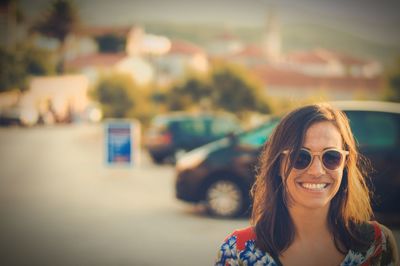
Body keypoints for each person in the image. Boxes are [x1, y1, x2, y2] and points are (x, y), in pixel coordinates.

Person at [215, 103, 399, 266]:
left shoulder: (377, 245)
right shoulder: (236, 252)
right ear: (278, 164)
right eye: (300, 156)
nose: (317, 171)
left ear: (345, 164)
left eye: (331, 157)